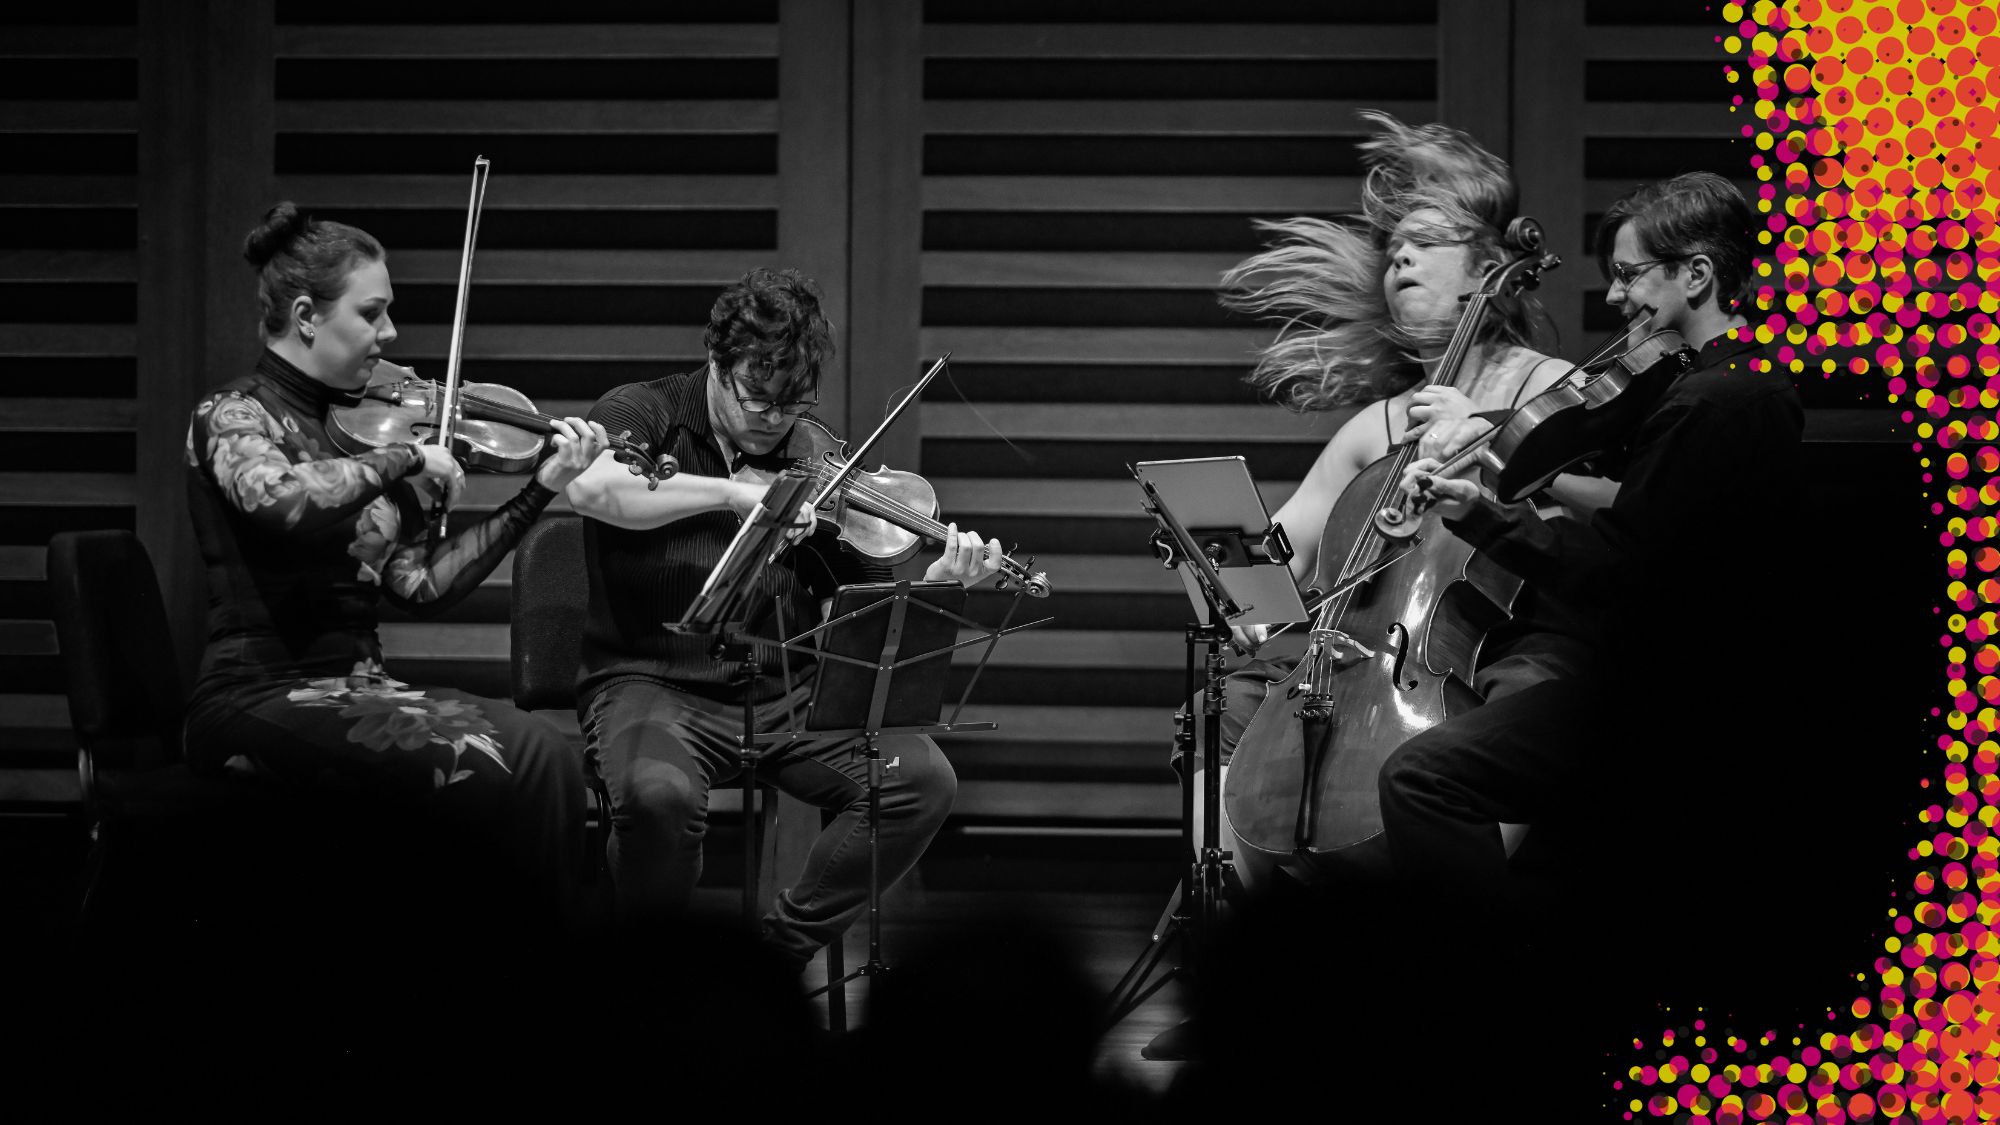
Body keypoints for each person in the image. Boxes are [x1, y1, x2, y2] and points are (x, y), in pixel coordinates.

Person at [1189, 112, 1603, 886]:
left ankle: (1466, 912)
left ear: (1489, 268)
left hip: (1516, 635)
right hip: (1387, 650)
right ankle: (1240, 914)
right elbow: (1282, 544)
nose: (1400, 257)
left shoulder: (1546, 386)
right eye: (1394, 249)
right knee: (1226, 703)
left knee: (1527, 696)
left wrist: (1491, 435)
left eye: (1426, 242)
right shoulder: (1377, 424)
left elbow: (1620, 507)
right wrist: (1225, 570)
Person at [182, 201, 609, 928]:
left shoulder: (354, 433)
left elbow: (419, 585)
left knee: (545, 752)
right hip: (256, 694)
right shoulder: (232, 416)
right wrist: (407, 458)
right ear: (307, 316)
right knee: (482, 768)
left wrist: (540, 489)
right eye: (372, 313)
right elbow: (282, 501)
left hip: (357, 688)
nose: (389, 334)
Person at [566, 267, 1002, 967]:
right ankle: (651, 979)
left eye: (793, 402)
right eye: (758, 397)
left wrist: (936, 585)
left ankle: (771, 960)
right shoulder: (645, 411)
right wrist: (735, 495)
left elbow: (853, 613)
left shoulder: (816, 453)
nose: (775, 419)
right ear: (718, 364)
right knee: (657, 799)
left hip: (783, 690)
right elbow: (593, 489)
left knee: (919, 781)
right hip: (651, 679)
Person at [1381, 171, 1802, 896]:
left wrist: (1479, 512)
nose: (1614, 296)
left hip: (1670, 699)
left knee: (1422, 777)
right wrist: (1494, 442)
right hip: (1692, 684)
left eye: (1630, 275)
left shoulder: (1708, 404)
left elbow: (1619, 567)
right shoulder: (1730, 384)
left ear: (1697, 274)